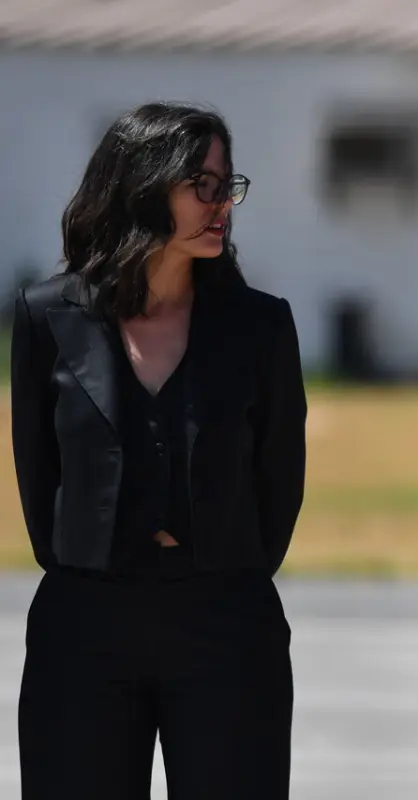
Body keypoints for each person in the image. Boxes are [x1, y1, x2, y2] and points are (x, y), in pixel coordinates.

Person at [10, 102, 306, 799]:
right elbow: (38, 479)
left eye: (227, 185)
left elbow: (278, 486)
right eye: (201, 185)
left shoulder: (261, 327)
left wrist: (222, 574)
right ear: (143, 184)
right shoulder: (47, 317)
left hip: (227, 627)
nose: (221, 204)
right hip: (83, 629)